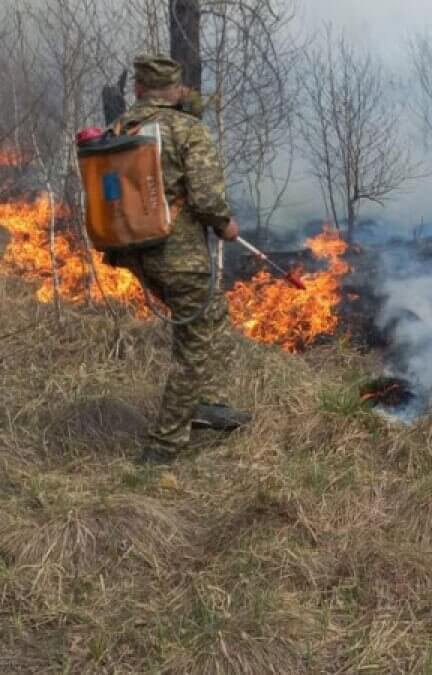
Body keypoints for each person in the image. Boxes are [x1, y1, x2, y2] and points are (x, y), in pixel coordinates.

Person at [108, 54, 250, 465]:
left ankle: (202, 404)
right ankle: (165, 443)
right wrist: (225, 225)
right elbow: (206, 197)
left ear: (137, 89)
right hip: (180, 256)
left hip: (134, 253)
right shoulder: (186, 129)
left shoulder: (118, 129)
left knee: (215, 315)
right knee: (195, 342)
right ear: (174, 89)